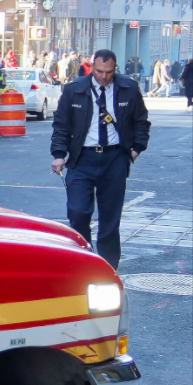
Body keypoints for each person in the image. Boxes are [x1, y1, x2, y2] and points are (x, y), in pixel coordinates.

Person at [50, 49, 151, 269]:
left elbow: (141, 122)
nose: (103, 76)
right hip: (81, 158)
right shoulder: (74, 89)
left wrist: (135, 150)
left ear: (115, 68)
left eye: (108, 71)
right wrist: (59, 155)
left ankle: (107, 269)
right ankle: (83, 261)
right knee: (77, 212)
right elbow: (61, 125)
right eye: (98, 71)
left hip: (115, 158)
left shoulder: (129, 89)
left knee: (110, 220)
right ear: (91, 66)